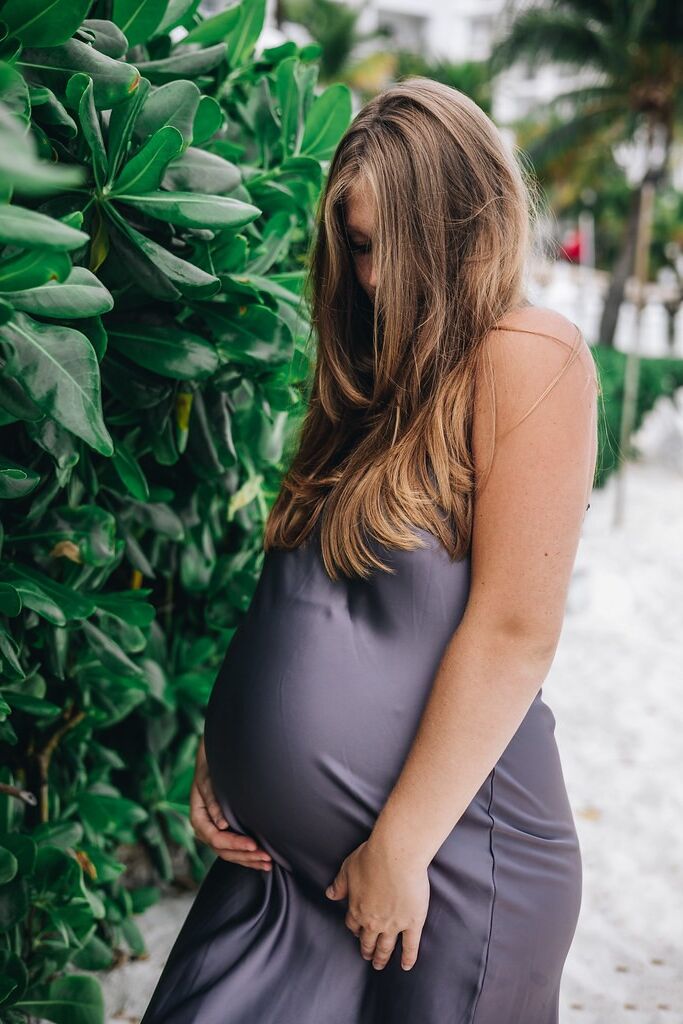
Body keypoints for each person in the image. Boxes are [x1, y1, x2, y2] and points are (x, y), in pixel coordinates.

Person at [140, 75, 600, 1024]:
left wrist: (399, 846)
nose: (374, 277)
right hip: (285, 873)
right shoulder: (371, 378)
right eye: (355, 246)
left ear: (464, 222)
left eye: (396, 246)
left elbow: (515, 630)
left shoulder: (526, 354)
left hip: (445, 871)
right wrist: (228, 753)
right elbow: (301, 591)